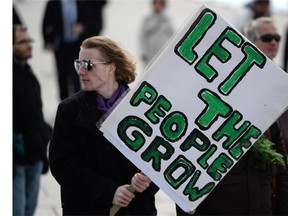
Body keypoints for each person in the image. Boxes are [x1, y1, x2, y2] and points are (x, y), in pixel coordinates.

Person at [176, 17, 287, 216]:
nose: (274, 42)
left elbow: (281, 165)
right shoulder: (205, 105)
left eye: (277, 38)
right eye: (268, 37)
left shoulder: (275, 91)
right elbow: (186, 175)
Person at [49, 36, 159, 215]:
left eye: (88, 64)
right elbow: (62, 165)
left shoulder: (143, 108)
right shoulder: (69, 110)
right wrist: (109, 192)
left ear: (111, 67)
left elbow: (163, 158)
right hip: (85, 209)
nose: (80, 72)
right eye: (78, 64)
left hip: (136, 210)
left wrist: (149, 181)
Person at [13, 25, 52, 216]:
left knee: (29, 211)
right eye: (22, 42)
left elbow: (35, 113)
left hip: (35, 155)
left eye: (30, 41)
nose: (29, 46)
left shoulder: (27, 71)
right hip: (16, 162)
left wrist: (46, 134)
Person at [42, 0, 107, 101]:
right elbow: (46, 22)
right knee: (62, 75)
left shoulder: (81, 2)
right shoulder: (53, 3)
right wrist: (47, 41)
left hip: (76, 45)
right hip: (60, 46)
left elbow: (90, 19)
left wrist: (82, 27)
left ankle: (78, 102)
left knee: (77, 73)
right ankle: (64, 102)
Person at [139, 0, 174, 66]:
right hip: (149, 54)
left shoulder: (166, 20)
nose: (158, 6)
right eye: (156, 3)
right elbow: (142, 37)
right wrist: (143, 52)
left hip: (162, 54)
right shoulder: (147, 19)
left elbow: (172, 37)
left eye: (160, 4)